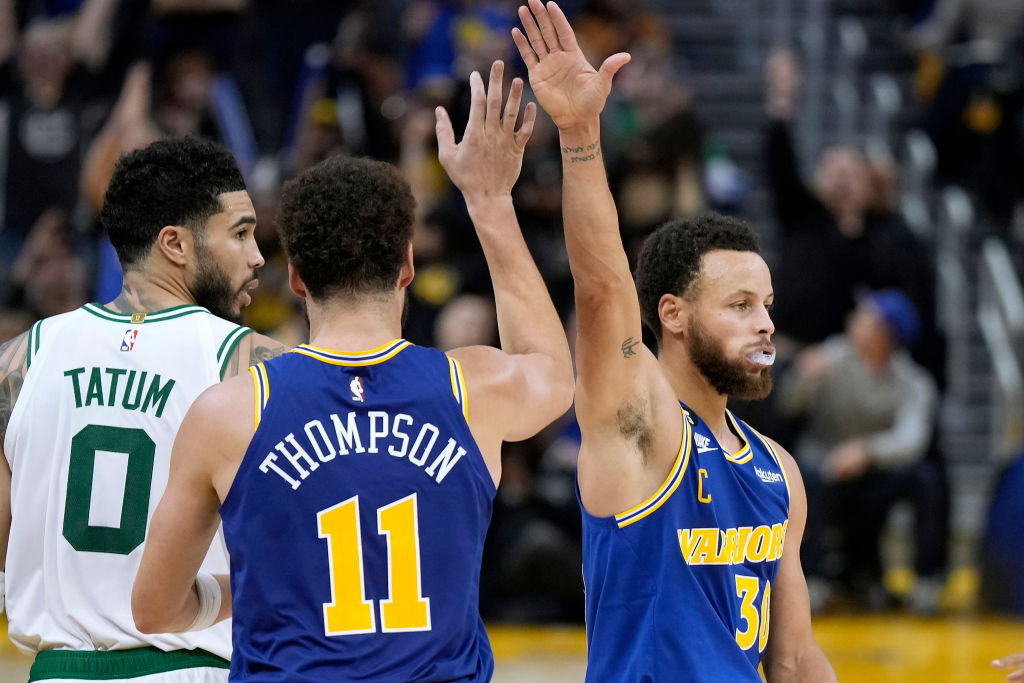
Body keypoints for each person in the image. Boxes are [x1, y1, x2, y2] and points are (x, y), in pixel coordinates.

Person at [131, 61, 574, 682]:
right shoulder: (472, 389)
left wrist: (246, 591)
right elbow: (552, 371)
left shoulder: (229, 411)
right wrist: (490, 200)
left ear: (295, 278)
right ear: (407, 267)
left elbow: (153, 609)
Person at [511, 2, 836, 680]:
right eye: (741, 305)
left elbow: (797, 658)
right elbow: (602, 291)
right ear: (675, 313)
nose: (767, 324)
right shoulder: (639, 431)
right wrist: (579, 135)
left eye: (767, 305)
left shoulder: (778, 469)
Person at [0, 135, 286, 682]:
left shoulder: (20, 361)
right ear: (175, 244)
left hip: (55, 670)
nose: (257, 255)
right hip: (190, 664)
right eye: (241, 233)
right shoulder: (255, 366)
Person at [777, 290, 946, 614]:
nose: (853, 320)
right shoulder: (833, 356)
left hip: (876, 472)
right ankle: (814, 581)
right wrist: (803, 377)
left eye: (864, 317)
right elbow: (789, 405)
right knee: (804, 477)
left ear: (885, 333)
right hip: (826, 468)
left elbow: (912, 440)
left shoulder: (914, 382)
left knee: (927, 480)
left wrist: (865, 451)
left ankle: (926, 582)